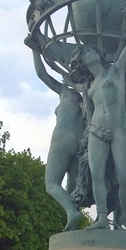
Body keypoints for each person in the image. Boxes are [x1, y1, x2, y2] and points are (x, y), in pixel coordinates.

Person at [81, 0, 126, 230]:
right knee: (97, 175)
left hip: (120, 127)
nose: (89, 53)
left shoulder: (116, 70)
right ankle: (103, 219)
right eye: (85, 52)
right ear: (83, 62)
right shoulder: (90, 87)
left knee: (125, 178)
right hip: (97, 129)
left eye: (90, 50)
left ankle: (124, 217)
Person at [26, 31, 85, 231]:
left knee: (51, 184)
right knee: (73, 190)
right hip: (80, 144)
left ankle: (72, 213)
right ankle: (75, 228)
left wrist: (35, 50)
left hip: (61, 140)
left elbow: (42, 75)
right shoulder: (89, 95)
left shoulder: (66, 92)